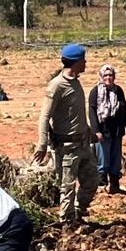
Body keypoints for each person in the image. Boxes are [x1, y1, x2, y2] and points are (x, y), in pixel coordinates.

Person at [32, 44, 97, 224]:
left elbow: (76, 113)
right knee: (67, 186)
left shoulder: (76, 81)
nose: (86, 63)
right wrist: (42, 144)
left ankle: (78, 211)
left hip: (83, 144)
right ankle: (66, 223)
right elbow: (44, 116)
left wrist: (90, 132)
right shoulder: (57, 85)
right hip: (66, 147)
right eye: (83, 60)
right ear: (75, 62)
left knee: (92, 181)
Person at [88, 64, 126, 194]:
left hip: (117, 130)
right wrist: (96, 131)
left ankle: (114, 186)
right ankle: (101, 187)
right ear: (101, 76)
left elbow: (125, 108)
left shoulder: (118, 90)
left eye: (111, 75)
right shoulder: (95, 91)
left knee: (115, 158)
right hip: (103, 130)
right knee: (103, 159)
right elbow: (91, 111)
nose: (108, 78)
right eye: (106, 75)